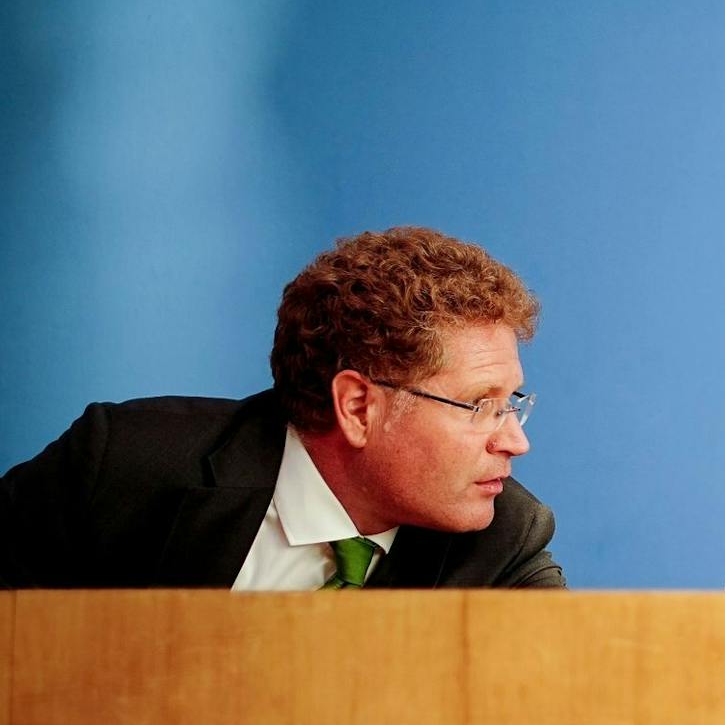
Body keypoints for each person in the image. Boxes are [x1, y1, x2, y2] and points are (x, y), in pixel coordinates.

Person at [0, 226, 564, 589]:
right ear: (358, 406)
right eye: (477, 405)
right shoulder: (123, 467)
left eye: (509, 403)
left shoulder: (502, 539)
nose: (515, 440)